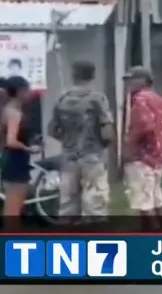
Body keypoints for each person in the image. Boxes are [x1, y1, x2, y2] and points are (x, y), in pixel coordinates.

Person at [48, 61, 114, 221]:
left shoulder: (62, 98)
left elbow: (52, 130)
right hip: (92, 155)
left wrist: (67, 141)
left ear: (73, 75)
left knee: (68, 203)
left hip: (69, 157)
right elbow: (107, 131)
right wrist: (106, 145)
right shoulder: (97, 98)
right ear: (92, 75)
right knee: (94, 202)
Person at [123, 66, 162, 231]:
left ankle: (148, 234)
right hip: (158, 156)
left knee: (143, 200)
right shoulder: (159, 99)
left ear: (144, 81)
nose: (129, 83)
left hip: (143, 157)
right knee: (155, 194)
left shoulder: (140, 99)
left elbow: (143, 125)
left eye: (132, 79)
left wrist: (129, 148)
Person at [0, 75, 41, 230]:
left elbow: (0, 137)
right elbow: (11, 141)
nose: (30, 94)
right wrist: (29, 148)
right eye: (28, 91)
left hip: (8, 160)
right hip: (16, 161)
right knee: (14, 209)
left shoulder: (6, 110)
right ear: (21, 91)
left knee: (11, 208)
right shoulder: (15, 113)